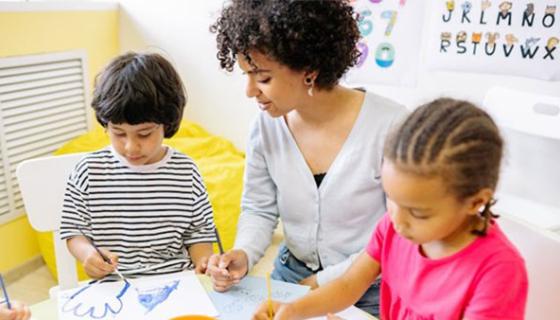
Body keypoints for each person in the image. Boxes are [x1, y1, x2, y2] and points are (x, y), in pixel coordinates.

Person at [206, 0, 406, 316]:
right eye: (246, 74)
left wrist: (318, 285)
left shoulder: (391, 127)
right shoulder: (265, 125)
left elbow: (398, 233)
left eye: (262, 77)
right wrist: (244, 252)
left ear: (309, 70)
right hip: (290, 277)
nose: (249, 91)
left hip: (370, 291)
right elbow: (258, 207)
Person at [253, 98, 529, 320]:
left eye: (418, 212)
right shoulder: (393, 227)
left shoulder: (498, 271)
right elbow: (349, 285)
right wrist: (294, 310)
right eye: (392, 200)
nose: (397, 220)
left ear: (475, 201)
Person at [59, 52, 217, 281]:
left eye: (144, 134)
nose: (131, 147)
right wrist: (88, 255)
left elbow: (199, 232)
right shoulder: (88, 172)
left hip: (177, 282)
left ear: (167, 123)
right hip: (114, 283)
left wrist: (204, 264)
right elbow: (74, 231)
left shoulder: (186, 171)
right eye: (119, 133)